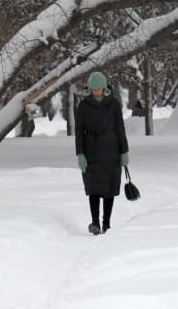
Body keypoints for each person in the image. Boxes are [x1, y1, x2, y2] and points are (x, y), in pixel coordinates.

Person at [75, 71, 129, 235]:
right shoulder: (84, 105)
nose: (97, 91)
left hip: (111, 151)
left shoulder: (113, 104)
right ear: (90, 88)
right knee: (93, 189)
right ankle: (95, 223)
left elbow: (120, 129)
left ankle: (107, 223)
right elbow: (79, 132)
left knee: (109, 189)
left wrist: (124, 151)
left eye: (99, 88)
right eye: (94, 88)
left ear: (104, 87)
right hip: (91, 152)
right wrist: (80, 154)